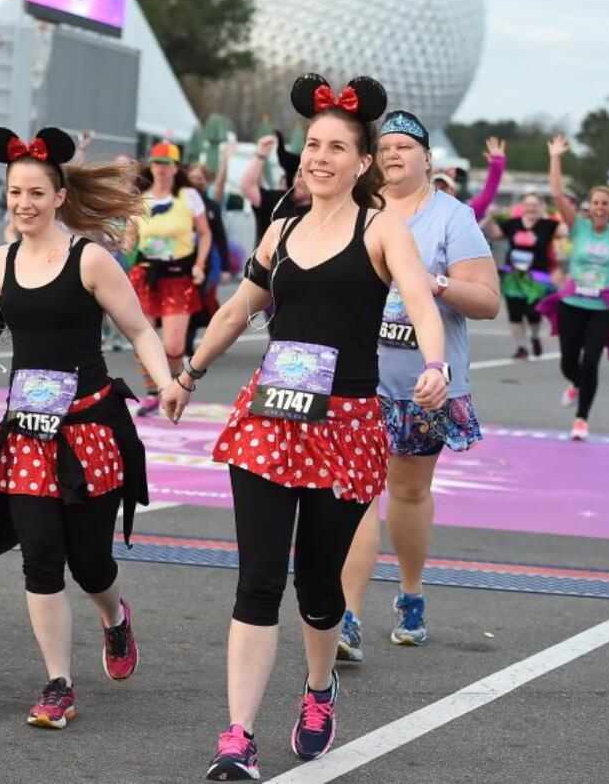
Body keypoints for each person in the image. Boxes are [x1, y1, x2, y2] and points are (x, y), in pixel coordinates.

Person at [160, 74, 448, 777]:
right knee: (257, 580)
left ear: (362, 161)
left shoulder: (380, 228)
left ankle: (320, 688)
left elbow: (417, 297)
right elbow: (236, 310)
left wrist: (434, 361)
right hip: (269, 419)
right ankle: (238, 735)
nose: (319, 156)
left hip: (345, 426)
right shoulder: (281, 229)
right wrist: (189, 373)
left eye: (336, 147)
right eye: (312, 145)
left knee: (318, 589)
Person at [0, 125, 169, 728]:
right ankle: (58, 684)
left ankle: (116, 618)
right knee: (40, 560)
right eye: (16, 192)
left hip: (91, 428)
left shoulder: (90, 259)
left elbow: (141, 330)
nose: (23, 203)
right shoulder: (2, 260)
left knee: (90, 563)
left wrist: (167, 382)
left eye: (36, 193)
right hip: (28, 433)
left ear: (59, 195)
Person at [336, 110, 498, 663]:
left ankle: (410, 594)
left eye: (405, 146)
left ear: (428, 157)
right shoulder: (357, 211)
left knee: (406, 492)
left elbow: (488, 301)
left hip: (426, 385)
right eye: (385, 147)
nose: (393, 155)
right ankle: (348, 617)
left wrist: (435, 283)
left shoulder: (451, 217)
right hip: (360, 381)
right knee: (358, 494)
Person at [539, 136, 609, 440]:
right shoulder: (579, 226)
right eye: (596, 203)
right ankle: (575, 384)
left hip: (604, 309)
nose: (600, 208)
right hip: (572, 304)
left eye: (606, 204)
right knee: (568, 363)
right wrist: (556, 157)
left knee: (591, 363)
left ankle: (581, 419)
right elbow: (558, 194)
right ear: (590, 207)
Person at [123, 141, 211, 415]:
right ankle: (154, 392)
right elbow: (129, 238)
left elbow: (205, 234)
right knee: (143, 338)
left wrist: (199, 264)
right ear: (151, 166)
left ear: (176, 167)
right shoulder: (141, 199)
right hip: (146, 274)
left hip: (177, 276)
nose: (161, 169)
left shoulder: (188, 197)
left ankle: (173, 386)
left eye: (167, 164)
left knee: (173, 346)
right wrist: (120, 243)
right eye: (157, 163)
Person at [488, 192, 560, 359]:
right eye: (529, 204)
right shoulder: (513, 224)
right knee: (515, 312)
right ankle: (521, 348)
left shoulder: (548, 225)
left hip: (537, 277)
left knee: (533, 312)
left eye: (535, 205)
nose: (531, 208)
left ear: (540, 206)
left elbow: (564, 231)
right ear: (523, 206)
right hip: (514, 276)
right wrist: (490, 216)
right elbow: (496, 233)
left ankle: (535, 336)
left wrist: (549, 213)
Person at [186, 141, 235, 355]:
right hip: (182, 259)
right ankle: (185, 346)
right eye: (193, 177)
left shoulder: (212, 207)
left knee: (204, 300)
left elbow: (221, 238)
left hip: (207, 263)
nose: (196, 181)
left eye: (201, 178)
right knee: (186, 302)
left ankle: (214, 338)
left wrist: (225, 268)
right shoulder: (180, 202)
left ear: (206, 182)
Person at [240, 131, 310, 243]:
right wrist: (260, 154)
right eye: (299, 174)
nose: (301, 180)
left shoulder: (321, 211)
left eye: (307, 177)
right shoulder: (279, 200)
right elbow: (247, 187)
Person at [432, 137, 506, 222]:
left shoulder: (463, 213)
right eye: (436, 189)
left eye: (444, 188)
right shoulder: (420, 212)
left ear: (453, 191)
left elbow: (486, 197)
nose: (440, 192)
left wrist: (497, 165)